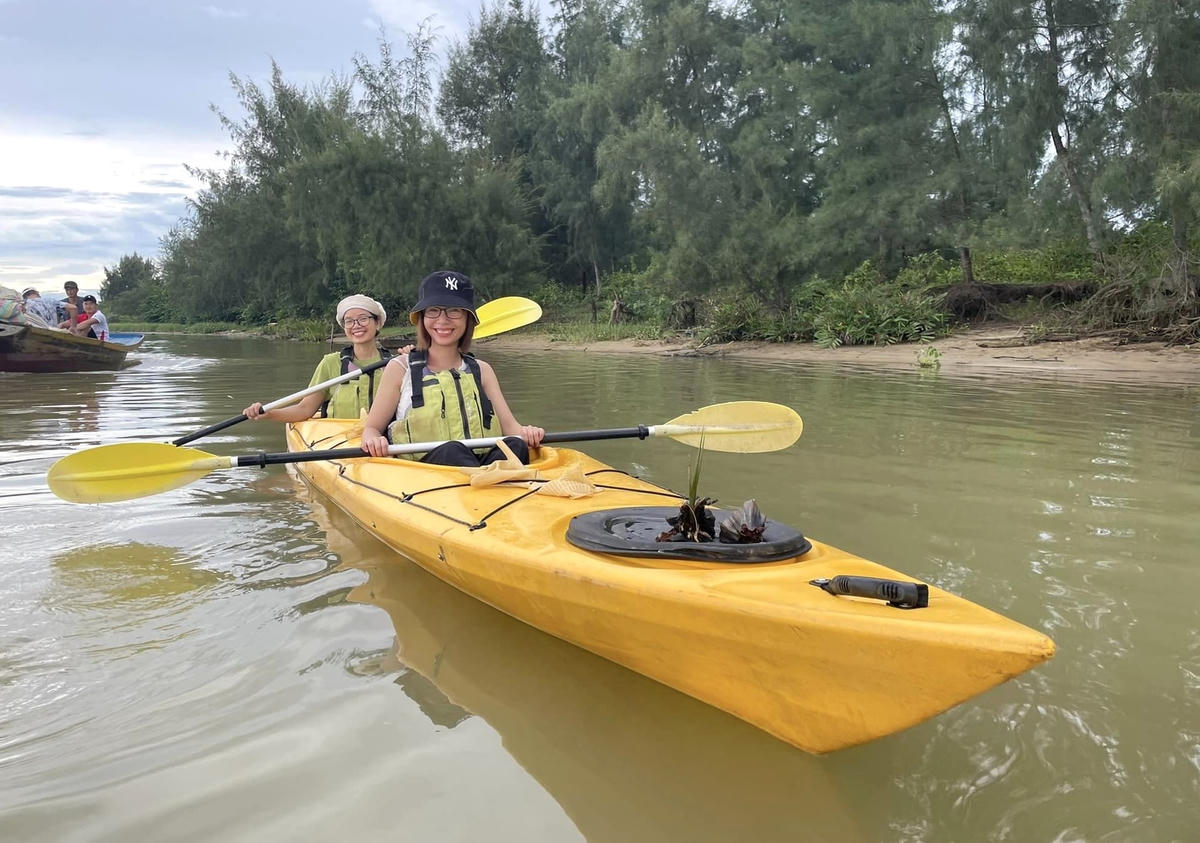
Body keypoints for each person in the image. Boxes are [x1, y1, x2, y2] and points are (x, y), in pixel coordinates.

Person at [360, 271, 544, 466]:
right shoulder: (399, 369)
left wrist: (528, 433)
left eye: (454, 311)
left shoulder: (482, 370)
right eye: (433, 310)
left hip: (481, 469)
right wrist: (373, 439)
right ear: (422, 318)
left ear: (467, 319)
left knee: (515, 446)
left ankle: (496, 486)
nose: (443, 320)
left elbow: (511, 428)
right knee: (452, 449)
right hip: (425, 473)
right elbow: (371, 428)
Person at [243, 294, 397, 422]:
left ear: (377, 323)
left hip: (382, 444)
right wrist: (269, 413)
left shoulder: (396, 365)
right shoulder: (330, 363)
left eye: (363, 319)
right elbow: (304, 409)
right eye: (349, 321)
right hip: (339, 445)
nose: (356, 325)